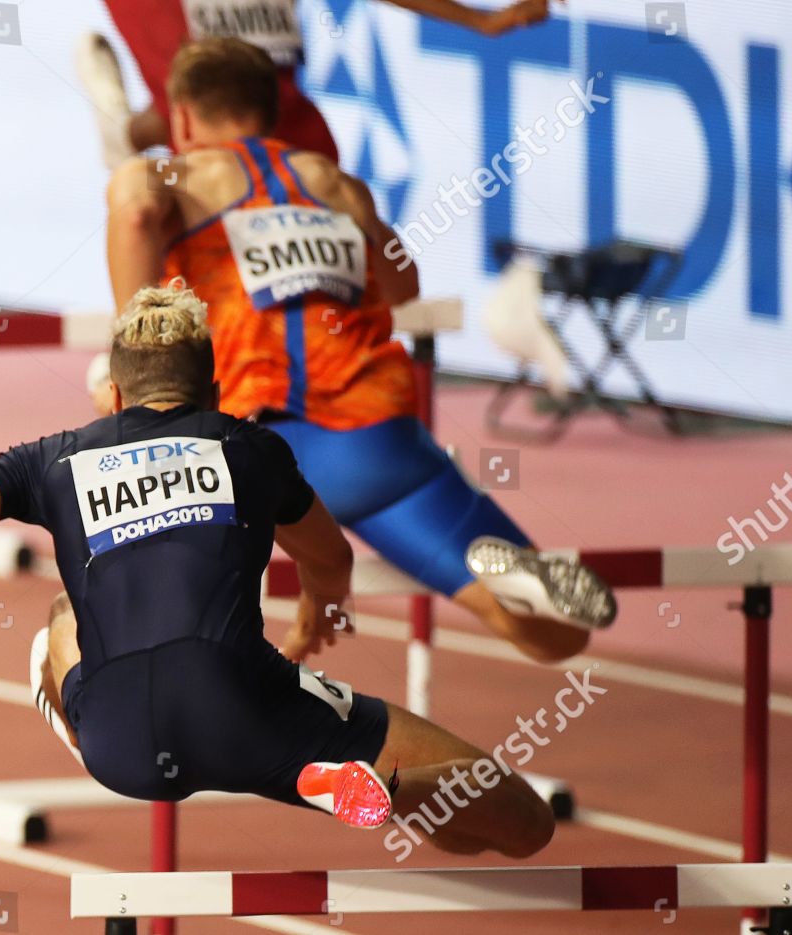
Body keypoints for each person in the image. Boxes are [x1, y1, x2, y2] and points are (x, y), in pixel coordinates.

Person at [0, 288, 554, 856]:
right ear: (212, 391)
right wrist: (320, 613)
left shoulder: (47, 461)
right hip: (245, 711)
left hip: (119, 743)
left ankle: (105, 719)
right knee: (516, 826)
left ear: (112, 396)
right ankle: (317, 776)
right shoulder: (249, 446)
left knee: (60, 609)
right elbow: (332, 559)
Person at [102, 38, 615, 666]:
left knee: (147, 583)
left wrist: (135, 346)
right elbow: (404, 283)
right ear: (272, 110)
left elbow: (133, 216)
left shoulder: (167, 173)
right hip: (380, 440)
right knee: (559, 637)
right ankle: (517, 585)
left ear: (181, 117)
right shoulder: (335, 184)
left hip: (257, 448)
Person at [76, 0, 554, 167]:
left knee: (304, 153)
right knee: (209, 120)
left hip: (270, 70)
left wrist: (480, 20)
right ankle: (157, 336)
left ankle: (126, 132)